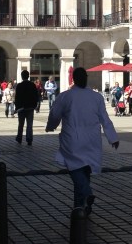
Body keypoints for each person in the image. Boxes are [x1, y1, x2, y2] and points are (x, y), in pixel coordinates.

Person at [45, 66, 119, 214]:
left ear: (74, 79)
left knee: (75, 168)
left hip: (72, 138)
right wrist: (113, 137)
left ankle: (86, 193)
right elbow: (105, 119)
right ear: (86, 79)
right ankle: (81, 206)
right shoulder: (96, 97)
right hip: (92, 139)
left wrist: (50, 126)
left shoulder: (65, 96)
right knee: (85, 169)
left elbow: (55, 115)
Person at [14, 70, 39, 145]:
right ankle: (29, 139)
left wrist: (17, 107)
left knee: (20, 124)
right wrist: (34, 106)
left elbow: (17, 97)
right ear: (28, 76)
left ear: (22, 76)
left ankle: (19, 138)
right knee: (29, 125)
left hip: (21, 108)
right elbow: (35, 96)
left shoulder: (19, 85)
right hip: (30, 108)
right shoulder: (32, 85)